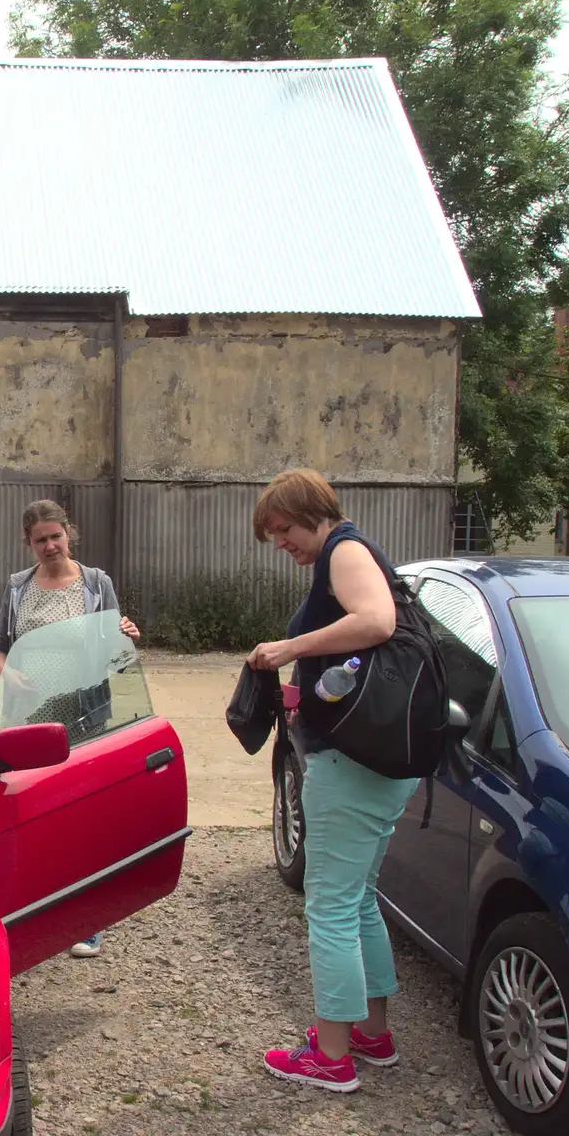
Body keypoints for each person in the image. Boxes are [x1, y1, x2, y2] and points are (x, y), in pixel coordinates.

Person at [245, 468, 417, 1093]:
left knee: (332, 907)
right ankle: (371, 1033)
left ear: (309, 512)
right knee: (359, 896)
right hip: (377, 763)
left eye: (283, 530)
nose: (281, 543)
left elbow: (376, 622)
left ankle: (333, 1057)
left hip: (350, 765)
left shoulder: (344, 549)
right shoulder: (348, 551)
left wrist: (290, 649)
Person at [0, 499, 139, 959]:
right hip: (30, 718)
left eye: (56, 536)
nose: (50, 546)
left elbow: (119, 646)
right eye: (41, 540)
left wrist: (129, 634)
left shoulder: (97, 584)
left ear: (68, 534)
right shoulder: (17, 587)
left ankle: (86, 920)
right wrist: (8, 672)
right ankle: (33, 906)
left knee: (82, 813)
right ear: (28, 544)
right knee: (31, 811)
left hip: (85, 716)